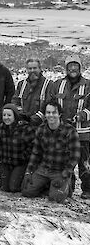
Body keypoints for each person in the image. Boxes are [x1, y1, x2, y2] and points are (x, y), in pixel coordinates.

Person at [47, 55, 90, 199]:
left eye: (75, 66)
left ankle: (87, 189)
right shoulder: (57, 84)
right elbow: (51, 103)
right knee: (65, 161)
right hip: (63, 132)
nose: (72, 68)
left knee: (85, 162)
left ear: (80, 68)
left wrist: (81, 115)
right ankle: (69, 187)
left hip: (83, 132)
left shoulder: (88, 85)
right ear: (66, 68)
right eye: (70, 66)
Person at [22, 100, 80, 203]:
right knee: (26, 191)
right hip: (44, 168)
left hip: (60, 170)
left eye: (54, 112)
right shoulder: (41, 130)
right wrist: (29, 171)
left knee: (56, 199)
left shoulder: (70, 131)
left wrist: (64, 174)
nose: (51, 115)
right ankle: (47, 185)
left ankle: (67, 184)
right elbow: (35, 153)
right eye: (48, 112)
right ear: (45, 114)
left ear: (59, 114)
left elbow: (75, 157)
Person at [0, 104, 35, 192]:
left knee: (14, 187)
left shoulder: (25, 128)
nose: (6, 118)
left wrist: (23, 157)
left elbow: (32, 146)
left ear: (15, 116)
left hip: (20, 162)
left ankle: (26, 179)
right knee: (4, 187)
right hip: (6, 161)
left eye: (9, 115)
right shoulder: (1, 128)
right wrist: (1, 162)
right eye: (4, 115)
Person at [12, 58, 53, 125]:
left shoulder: (49, 84)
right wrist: (22, 116)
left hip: (41, 126)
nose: (32, 71)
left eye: (35, 68)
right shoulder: (21, 84)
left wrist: (34, 119)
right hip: (23, 125)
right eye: (30, 68)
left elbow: (49, 105)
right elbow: (15, 102)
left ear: (40, 69)